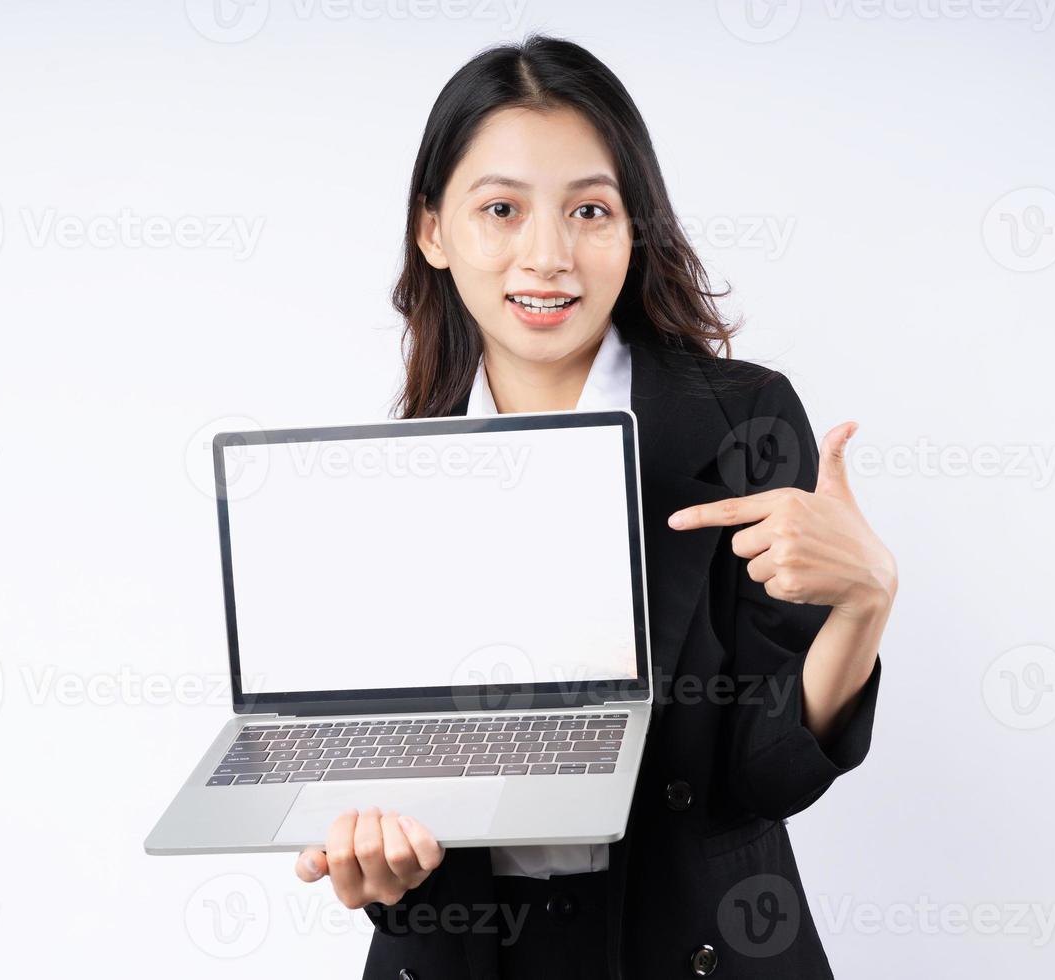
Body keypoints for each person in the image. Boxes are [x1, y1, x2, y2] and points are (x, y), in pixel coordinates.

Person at [294, 34, 896, 980]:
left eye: (589, 210)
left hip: (693, 945)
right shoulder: (396, 478)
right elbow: (392, 788)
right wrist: (378, 864)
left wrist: (864, 606)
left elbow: (768, 772)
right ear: (434, 231)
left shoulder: (742, 422)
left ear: (633, 228)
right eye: (501, 209)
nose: (548, 256)